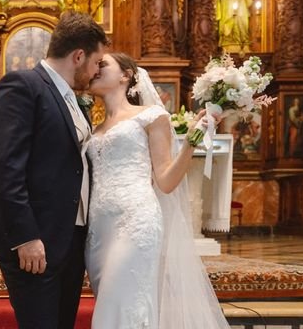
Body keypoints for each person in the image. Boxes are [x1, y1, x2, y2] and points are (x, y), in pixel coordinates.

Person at [0, 11, 108, 329]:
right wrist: (26, 237)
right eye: (96, 62)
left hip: (68, 237)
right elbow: (5, 168)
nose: (96, 72)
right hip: (35, 238)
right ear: (78, 56)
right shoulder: (22, 86)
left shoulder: (74, 100)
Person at [85, 53, 230, 328]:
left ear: (125, 75)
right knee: (115, 303)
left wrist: (190, 143)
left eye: (103, 64)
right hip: (99, 230)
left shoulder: (151, 116)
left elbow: (165, 180)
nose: (95, 69)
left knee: (118, 305)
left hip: (135, 221)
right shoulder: (93, 128)